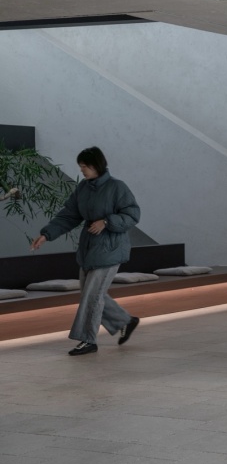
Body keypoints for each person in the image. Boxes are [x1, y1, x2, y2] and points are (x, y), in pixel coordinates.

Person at [30, 147, 141, 355]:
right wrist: (46, 235)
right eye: (80, 166)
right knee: (91, 294)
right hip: (89, 248)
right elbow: (68, 215)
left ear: (96, 165)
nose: (82, 170)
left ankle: (88, 339)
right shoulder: (83, 188)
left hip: (110, 249)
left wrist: (106, 221)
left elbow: (133, 215)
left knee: (92, 296)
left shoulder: (117, 187)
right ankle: (125, 320)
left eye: (85, 166)